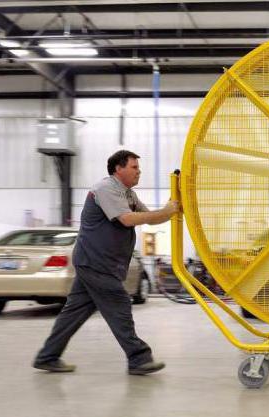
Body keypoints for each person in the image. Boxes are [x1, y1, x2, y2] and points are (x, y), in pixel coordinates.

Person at [33, 150, 179, 375]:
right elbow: (128, 219)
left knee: (74, 312)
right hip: (96, 262)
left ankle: (47, 356)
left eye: (138, 168)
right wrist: (166, 211)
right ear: (118, 169)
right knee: (119, 303)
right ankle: (138, 358)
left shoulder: (127, 194)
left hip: (99, 262)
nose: (139, 171)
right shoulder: (106, 188)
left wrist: (173, 203)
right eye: (134, 167)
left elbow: (151, 218)